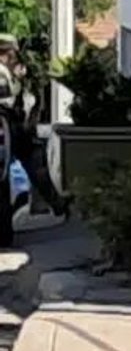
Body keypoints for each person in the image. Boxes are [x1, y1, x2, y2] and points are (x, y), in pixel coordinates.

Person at [0, 34, 70, 217]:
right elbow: (8, 99)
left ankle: (56, 202)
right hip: (7, 128)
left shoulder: (10, 71)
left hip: (13, 128)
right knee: (31, 159)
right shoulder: (2, 72)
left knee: (33, 159)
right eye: (12, 53)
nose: (14, 57)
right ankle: (56, 202)